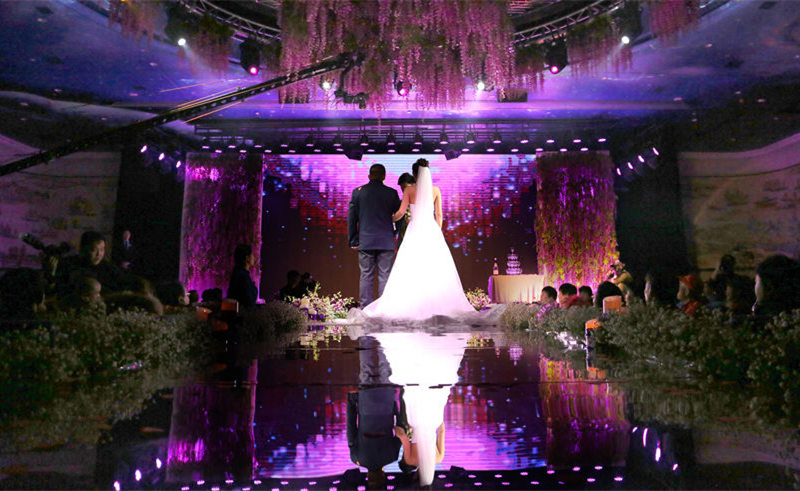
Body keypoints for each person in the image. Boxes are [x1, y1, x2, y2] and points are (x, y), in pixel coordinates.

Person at [360, 159, 474, 320]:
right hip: (432, 232)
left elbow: (400, 213)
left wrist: (387, 220)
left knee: (411, 268)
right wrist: (436, 233)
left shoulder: (409, 190)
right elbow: (439, 215)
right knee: (434, 270)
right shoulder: (435, 190)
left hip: (414, 232)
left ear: (414, 174)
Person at [348, 164, 401, 307]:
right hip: (386, 241)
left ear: (369, 176)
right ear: (384, 177)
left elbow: (352, 218)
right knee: (385, 276)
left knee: (366, 275)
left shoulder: (358, 192)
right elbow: (400, 216)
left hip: (366, 241)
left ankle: (366, 310)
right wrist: (394, 232)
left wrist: (353, 240)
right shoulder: (392, 193)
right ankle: (384, 310)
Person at [56, 231, 122, 294]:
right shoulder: (69, 264)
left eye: (102, 249)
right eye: (94, 250)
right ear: (83, 249)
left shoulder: (110, 269)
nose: (99, 254)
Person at [227, 244, 258, 309]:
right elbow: (248, 302)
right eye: (252, 255)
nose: (254, 258)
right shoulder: (242, 276)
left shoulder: (238, 272)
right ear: (247, 258)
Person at [396, 172, 416, 250]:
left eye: (406, 188)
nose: (405, 191)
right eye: (402, 189)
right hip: (402, 240)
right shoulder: (399, 204)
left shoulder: (422, 202)